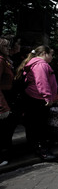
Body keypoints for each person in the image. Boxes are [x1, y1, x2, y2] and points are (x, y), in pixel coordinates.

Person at [15, 46, 58, 161]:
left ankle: (35, 147)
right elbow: (42, 81)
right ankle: (42, 150)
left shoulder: (34, 63)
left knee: (33, 125)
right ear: (45, 53)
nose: (52, 57)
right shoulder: (41, 64)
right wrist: (47, 97)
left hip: (33, 98)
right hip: (38, 99)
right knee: (39, 125)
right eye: (51, 54)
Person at [0, 38, 16, 166]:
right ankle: (3, 156)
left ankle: (6, 154)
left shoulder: (6, 61)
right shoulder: (0, 61)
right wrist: (3, 106)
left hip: (9, 96)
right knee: (4, 129)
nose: (8, 48)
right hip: (3, 97)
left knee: (8, 129)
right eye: (5, 46)